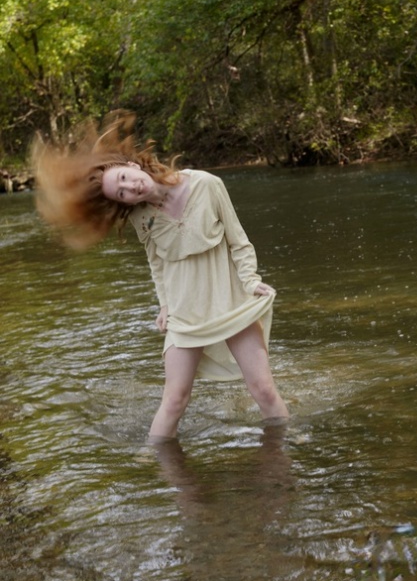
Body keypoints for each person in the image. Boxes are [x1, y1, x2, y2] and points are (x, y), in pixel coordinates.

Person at [32, 110, 289, 440]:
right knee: (174, 401)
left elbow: (238, 241)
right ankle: (155, 460)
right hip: (184, 313)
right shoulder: (143, 219)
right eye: (121, 192)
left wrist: (251, 280)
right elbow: (157, 263)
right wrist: (165, 304)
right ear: (123, 203)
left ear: (133, 165)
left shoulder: (207, 185)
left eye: (124, 178)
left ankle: (286, 446)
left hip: (231, 303)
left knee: (264, 390)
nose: (130, 187)